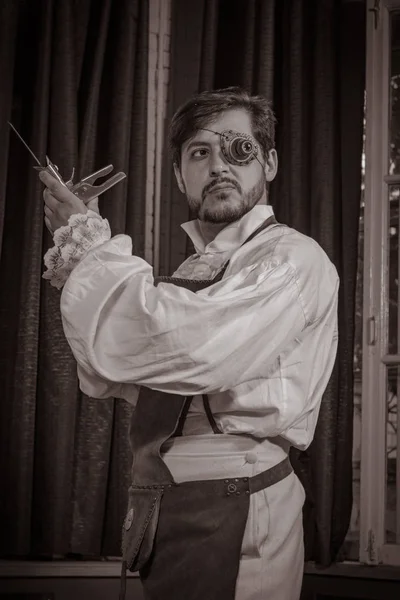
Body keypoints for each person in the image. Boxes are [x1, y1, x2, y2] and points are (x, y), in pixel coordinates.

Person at [39, 87, 339, 600]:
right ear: (180, 175)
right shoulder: (194, 270)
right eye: (200, 153)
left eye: (238, 149)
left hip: (238, 499)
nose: (220, 165)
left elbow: (197, 349)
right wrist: (85, 264)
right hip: (168, 500)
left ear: (268, 163)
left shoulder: (292, 258)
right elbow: (125, 370)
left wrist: (90, 250)